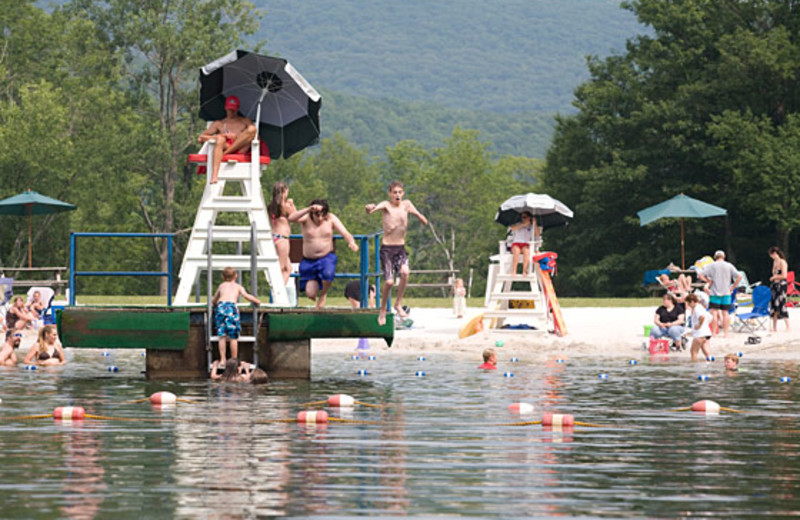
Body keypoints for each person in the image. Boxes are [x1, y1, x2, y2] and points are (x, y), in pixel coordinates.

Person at [365, 181, 429, 325]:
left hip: (400, 248)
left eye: (400, 192)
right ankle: (382, 310)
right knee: (389, 282)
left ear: (403, 193)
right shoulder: (386, 205)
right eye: (395, 193)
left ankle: (398, 304)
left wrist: (420, 217)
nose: (397, 195)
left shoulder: (407, 205)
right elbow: (372, 210)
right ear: (390, 194)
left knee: (405, 273)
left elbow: (421, 217)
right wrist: (368, 208)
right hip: (387, 249)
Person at [289, 199, 358, 309]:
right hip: (309, 260)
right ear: (312, 213)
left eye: (322, 215)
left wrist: (351, 242)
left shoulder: (331, 218)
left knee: (328, 273)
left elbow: (345, 232)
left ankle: (323, 294)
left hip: (326, 257)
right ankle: (316, 285)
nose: (320, 219)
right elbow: (291, 218)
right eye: (317, 215)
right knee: (310, 294)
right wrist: (308, 209)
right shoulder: (306, 218)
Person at [197, 95, 257, 184]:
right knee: (220, 140)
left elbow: (253, 134)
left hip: (240, 148)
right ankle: (214, 176)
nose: (231, 112)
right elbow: (201, 138)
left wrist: (238, 137)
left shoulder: (245, 121)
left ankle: (224, 154)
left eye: (233, 109)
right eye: (230, 109)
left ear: (237, 108)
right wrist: (221, 136)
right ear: (225, 108)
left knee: (252, 129)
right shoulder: (219, 123)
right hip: (226, 145)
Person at [212, 267, 261, 364]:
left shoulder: (221, 286)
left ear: (223, 277)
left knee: (222, 336)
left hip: (221, 307)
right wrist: (257, 301)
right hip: (231, 308)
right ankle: (234, 359)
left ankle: (223, 359)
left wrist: (214, 304)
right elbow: (247, 296)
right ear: (236, 276)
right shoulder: (238, 287)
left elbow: (214, 300)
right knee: (233, 336)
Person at [698, 250, 742, 337]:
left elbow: (700, 275)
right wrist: (733, 287)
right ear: (724, 257)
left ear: (715, 257)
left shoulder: (711, 265)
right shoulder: (729, 265)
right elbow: (739, 276)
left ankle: (714, 333)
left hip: (714, 293)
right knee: (725, 313)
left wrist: (708, 281)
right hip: (726, 292)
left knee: (714, 313)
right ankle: (726, 333)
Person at [268, 181, 297, 287]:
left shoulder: (271, 206)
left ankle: (280, 290)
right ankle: (277, 290)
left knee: (288, 268)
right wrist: (292, 204)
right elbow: (295, 217)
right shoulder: (285, 206)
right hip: (283, 239)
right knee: (282, 268)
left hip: (274, 237)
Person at [768, 246, 790, 332]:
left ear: (775, 254)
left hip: (781, 285)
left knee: (781, 304)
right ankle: (774, 327)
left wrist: (775, 277)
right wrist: (774, 278)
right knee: (774, 305)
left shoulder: (782, 262)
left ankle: (788, 326)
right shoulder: (774, 262)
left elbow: (784, 275)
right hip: (774, 285)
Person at [685, 293, 712, 362]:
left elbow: (702, 317)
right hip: (706, 333)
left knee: (693, 352)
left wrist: (699, 325)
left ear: (692, 302)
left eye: (688, 303)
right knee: (707, 354)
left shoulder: (697, 309)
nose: (688, 305)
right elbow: (710, 317)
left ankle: (694, 368)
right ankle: (710, 365)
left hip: (699, 334)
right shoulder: (701, 307)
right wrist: (705, 325)